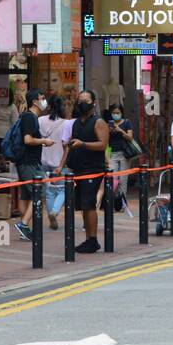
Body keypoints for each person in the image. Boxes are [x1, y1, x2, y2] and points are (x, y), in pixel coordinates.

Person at [60, 98, 109, 253]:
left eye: (86, 100)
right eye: (80, 100)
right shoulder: (76, 123)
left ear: (93, 104)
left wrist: (84, 144)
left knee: (89, 203)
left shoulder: (98, 122)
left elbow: (103, 145)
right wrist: (63, 163)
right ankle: (89, 238)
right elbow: (72, 143)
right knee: (83, 205)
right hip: (79, 169)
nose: (83, 103)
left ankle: (93, 240)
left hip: (93, 168)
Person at [14, 90, 55, 242]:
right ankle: (24, 224)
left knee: (26, 195)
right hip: (28, 162)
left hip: (26, 162)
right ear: (35, 102)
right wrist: (44, 141)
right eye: (42, 98)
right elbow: (28, 140)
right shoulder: (30, 117)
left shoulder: (28, 117)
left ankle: (24, 229)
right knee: (40, 193)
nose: (44, 101)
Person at [38, 94, 67, 230]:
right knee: (64, 189)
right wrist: (62, 164)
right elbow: (67, 146)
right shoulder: (65, 123)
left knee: (49, 191)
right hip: (59, 162)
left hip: (43, 161)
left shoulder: (40, 120)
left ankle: (51, 215)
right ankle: (55, 211)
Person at [106, 102, 137, 217]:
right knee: (112, 180)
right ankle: (113, 204)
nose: (115, 115)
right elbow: (105, 140)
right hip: (112, 153)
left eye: (117, 113)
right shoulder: (108, 124)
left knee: (123, 180)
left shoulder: (127, 123)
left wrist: (120, 130)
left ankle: (123, 204)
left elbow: (130, 137)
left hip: (124, 154)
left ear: (122, 113)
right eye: (113, 113)